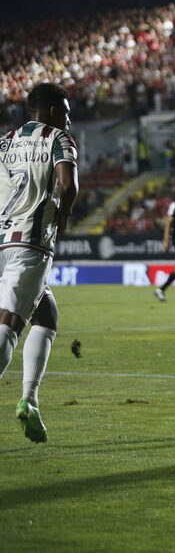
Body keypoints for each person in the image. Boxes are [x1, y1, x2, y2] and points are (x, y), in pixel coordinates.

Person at [0, 82, 79, 443]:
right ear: (49, 110)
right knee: (10, 324)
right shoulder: (58, 138)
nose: (68, 119)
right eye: (65, 112)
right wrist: (64, 213)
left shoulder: (6, 141)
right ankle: (28, 399)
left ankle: (30, 400)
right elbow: (68, 184)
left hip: (3, 240)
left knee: (46, 316)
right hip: (31, 244)